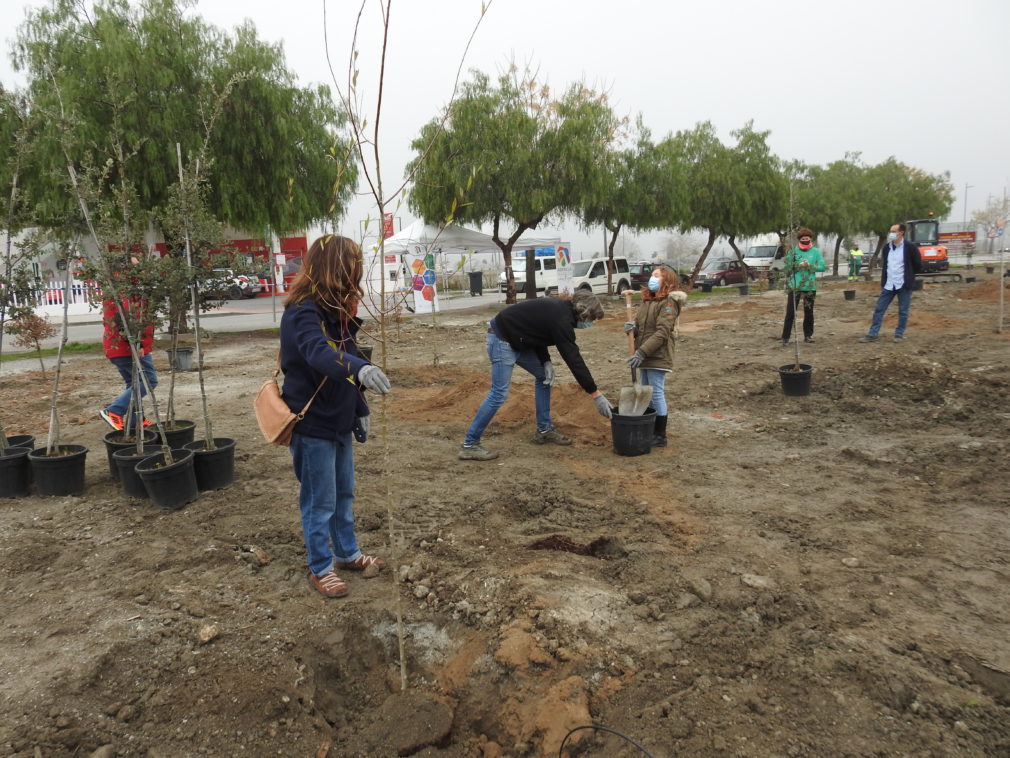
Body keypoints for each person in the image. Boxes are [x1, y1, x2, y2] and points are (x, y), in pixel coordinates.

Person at [281, 235, 392, 599]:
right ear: (331, 267)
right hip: (312, 424)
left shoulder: (336, 312)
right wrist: (359, 368)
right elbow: (319, 353)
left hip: (339, 419)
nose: (355, 274)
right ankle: (320, 566)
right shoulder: (303, 311)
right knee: (319, 499)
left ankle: (347, 553)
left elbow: (343, 362)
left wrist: (360, 409)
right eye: (350, 266)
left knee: (343, 493)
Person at [459, 290, 613, 461]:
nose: (590, 323)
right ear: (584, 313)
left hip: (517, 339)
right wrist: (595, 393)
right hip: (502, 339)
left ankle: (544, 430)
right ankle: (470, 444)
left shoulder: (560, 312)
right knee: (499, 394)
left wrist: (545, 361)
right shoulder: (562, 319)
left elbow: (537, 332)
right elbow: (573, 358)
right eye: (591, 319)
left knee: (544, 378)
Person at [625, 266, 687, 447]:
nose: (652, 278)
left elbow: (662, 332)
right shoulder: (647, 301)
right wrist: (632, 329)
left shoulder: (669, 303)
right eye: (652, 275)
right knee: (646, 392)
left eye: (657, 276)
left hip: (658, 354)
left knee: (656, 393)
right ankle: (649, 428)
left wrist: (642, 351)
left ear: (666, 280)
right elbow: (641, 327)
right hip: (644, 354)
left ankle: (660, 435)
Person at [99, 283, 157, 433]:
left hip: (116, 346)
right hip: (129, 347)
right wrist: (140, 343)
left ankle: (136, 420)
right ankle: (114, 411)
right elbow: (129, 319)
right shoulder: (129, 289)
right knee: (148, 380)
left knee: (133, 383)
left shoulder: (114, 286)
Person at [859, 223, 921, 343]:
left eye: (893, 231)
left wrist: (909, 276)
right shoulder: (887, 248)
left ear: (901, 233)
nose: (891, 234)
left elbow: (917, 265)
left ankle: (899, 334)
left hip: (903, 284)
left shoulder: (910, 247)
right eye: (890, 231)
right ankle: (873, 334)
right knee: (879, 308)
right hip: (889, 284)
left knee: (903, 311)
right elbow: (886, 265)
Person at [780, 228, 826, 345]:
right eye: (803, 238)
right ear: (799, 240)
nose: (805, 240)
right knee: (790, 312)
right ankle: (785, 338)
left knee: (809, 312)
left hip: (809, 287)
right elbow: (787, 267)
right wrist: (797, 265)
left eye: (807, 238)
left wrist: (810, 266)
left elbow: (822, 266)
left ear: (811, 239)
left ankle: (808, 335)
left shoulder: (815, 252)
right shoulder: (793, 252)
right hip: (794, 286)